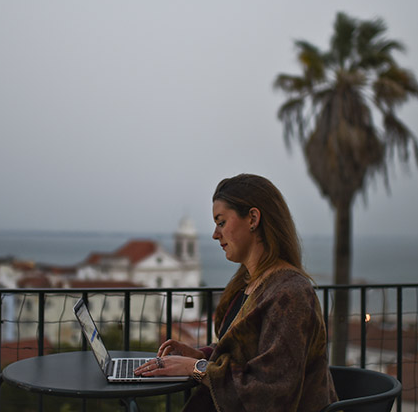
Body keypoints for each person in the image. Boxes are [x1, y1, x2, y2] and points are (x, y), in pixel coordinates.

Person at [134, 173, 337, 411]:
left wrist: (196, 368)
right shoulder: (249, 283)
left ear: (252, 218)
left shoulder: (291, 293)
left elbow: (272, 392)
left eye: (221, 222)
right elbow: (246, 359)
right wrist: (201, 355)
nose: (215, 234)